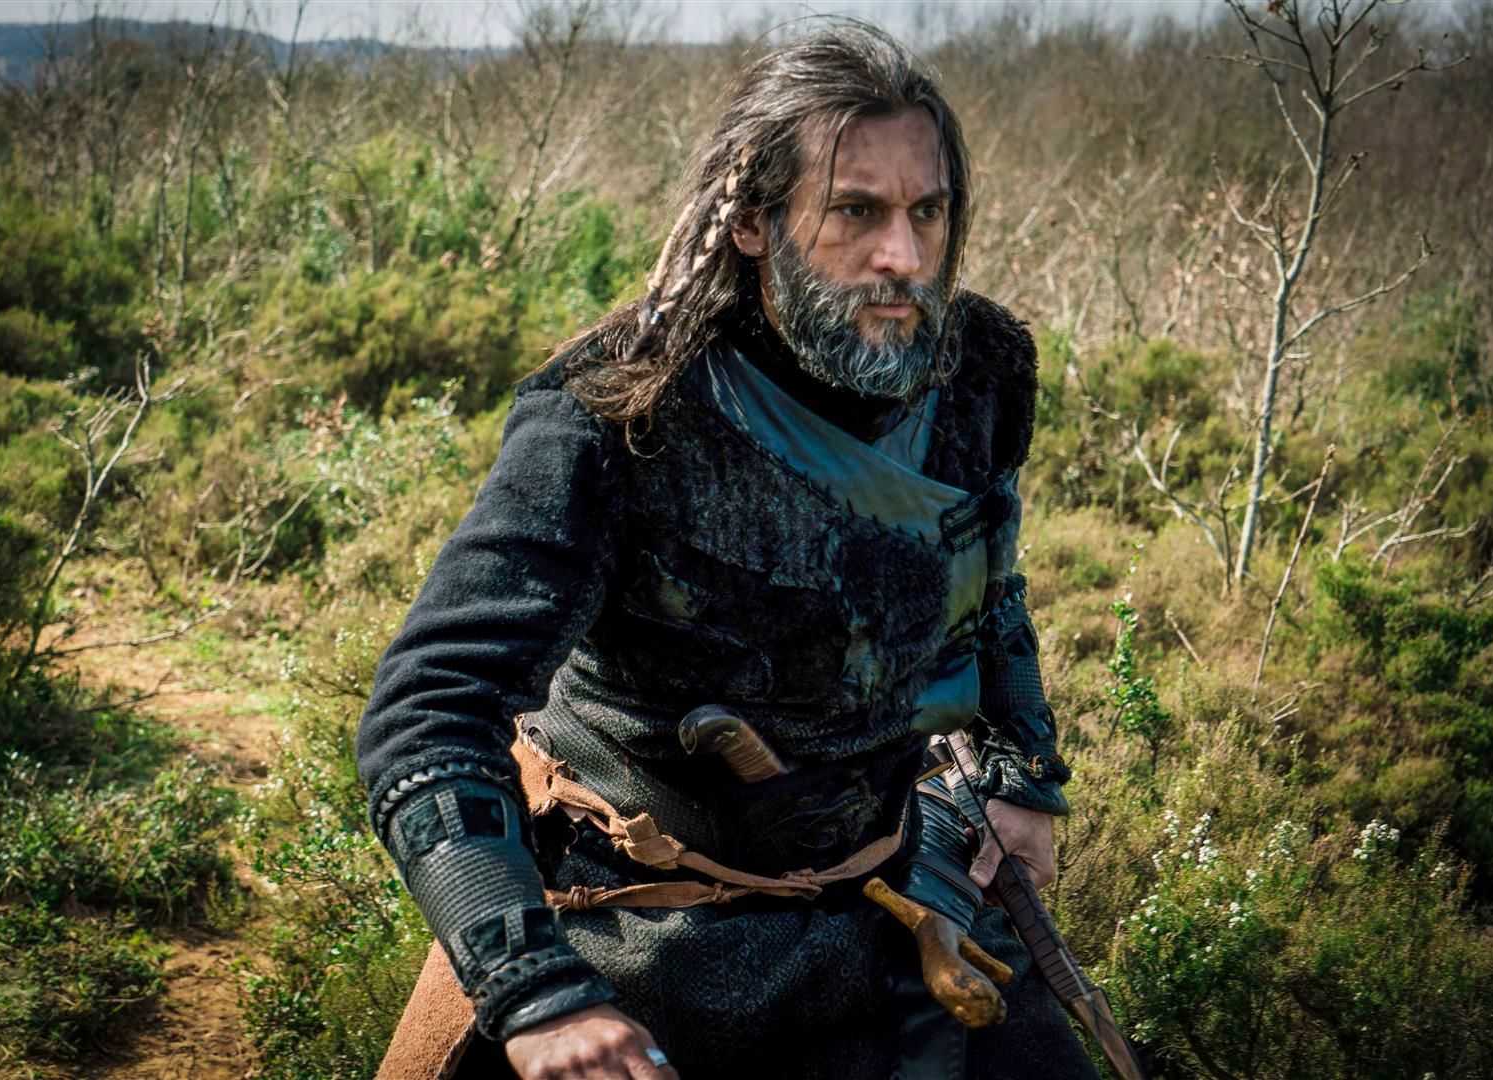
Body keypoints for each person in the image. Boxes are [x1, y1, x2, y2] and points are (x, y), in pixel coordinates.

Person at [358, 23, 1097, 1080]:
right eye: (854, 212)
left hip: (894, 898)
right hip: (643, 918)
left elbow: (984, 575)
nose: (901, 256)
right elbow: (430, 707)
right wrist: (536, 996)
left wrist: (1020, 769)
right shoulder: (616, 413)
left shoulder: (976, 367)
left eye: (925, 212)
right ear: (751, 221)